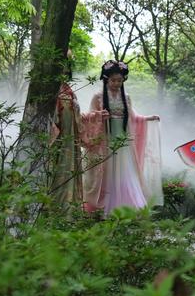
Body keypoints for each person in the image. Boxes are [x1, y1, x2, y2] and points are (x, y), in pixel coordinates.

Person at [81, 59, 163, 215]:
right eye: (113, 80)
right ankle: (104, 205)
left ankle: (126, 203)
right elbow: (90, 116)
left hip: (123, 139)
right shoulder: (98, 96)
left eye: (119, 80)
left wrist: (148, 118)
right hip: (105, 137)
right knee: (107, 169)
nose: (116, 83)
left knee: (125, 170)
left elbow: (133, 117)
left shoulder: (126, 96)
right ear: (106, 79)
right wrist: (99, 115)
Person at [49, 51, 87, 208]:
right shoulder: (50, 88)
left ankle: (68, 205)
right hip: (58, 137)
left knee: (68, 166)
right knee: (56, 166)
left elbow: (76, 115)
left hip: (69, 138)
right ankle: (53, 205)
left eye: (66, 66)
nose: (64, 69)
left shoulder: (68, 89)